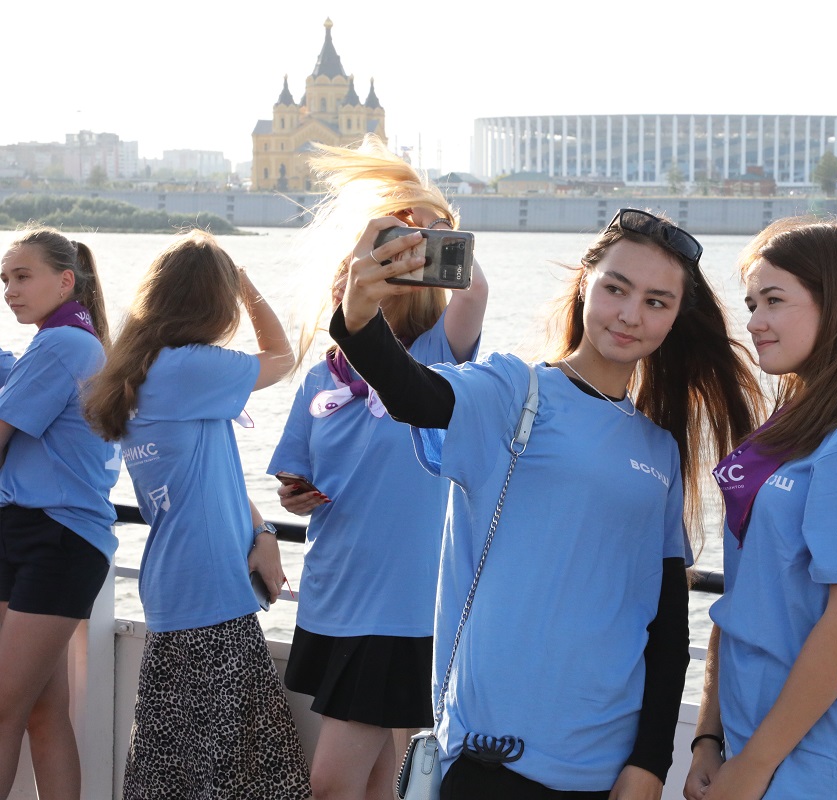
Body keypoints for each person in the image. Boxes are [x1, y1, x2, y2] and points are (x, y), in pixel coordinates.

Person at [331, 207, 763, 798]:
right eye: (616, 289)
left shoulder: (659, 449)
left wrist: (650, 764)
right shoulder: (514, 392)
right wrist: (359, 316)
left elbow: (665, 626)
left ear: (673, 320)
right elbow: (415, 394)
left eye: (656, 302)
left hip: (606, 770)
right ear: (586, 283)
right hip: (492, 762)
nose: (631, 315)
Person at [268, 139, 488, 800]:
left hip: (405, 606)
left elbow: (474, 287)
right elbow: (292, 479)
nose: (353, 284)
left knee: (332, 782)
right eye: (350, 272)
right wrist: (297, 496)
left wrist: (424, 221)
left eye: (371, 270)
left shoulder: (434, 357)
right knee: (369, 786)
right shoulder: (317, 379)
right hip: (334, 594)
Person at [685, 219, 837, 800]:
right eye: (751, 303)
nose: (754, 322)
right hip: (753, 737)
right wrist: (709, 736)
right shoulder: (792, 427)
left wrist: (753, 769)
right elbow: (747, 592)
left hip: (823, 757)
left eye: (774, 301)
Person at [81, 230, 310, 800]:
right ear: (212, 301)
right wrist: (246, 282)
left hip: (178, 585)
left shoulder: (144, 371)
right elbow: (282, 355)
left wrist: (260, 529)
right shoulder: (186, 368)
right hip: (208, 590)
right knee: (240, 771)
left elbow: (211, 477)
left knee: (175, 762)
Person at [0, 227, 118, 800]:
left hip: (56, 538)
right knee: (43, 712)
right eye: (4, 280)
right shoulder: (53, 342)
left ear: (65, 280)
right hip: (30, 534)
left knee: (3, 707)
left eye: (22, 277)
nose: (10, 292)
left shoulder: (65, 346)